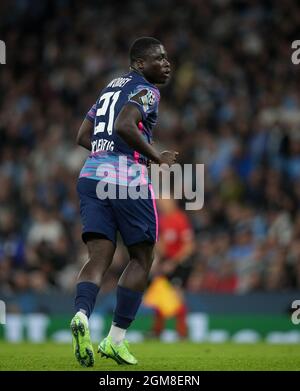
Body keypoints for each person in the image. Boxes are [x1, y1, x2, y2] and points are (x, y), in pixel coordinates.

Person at [70, 37, 178, 367]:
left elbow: (82, 136)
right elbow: (125, 125)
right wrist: (155, 159)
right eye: (159, 59)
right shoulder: (147, 90)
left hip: (91, 175)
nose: (167, 63)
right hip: (125, 179)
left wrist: (109, 153)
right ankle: (116, 339)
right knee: (142, 257)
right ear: (141, 64)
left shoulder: (110, 88)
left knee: (99, 257)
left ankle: (81, 316)